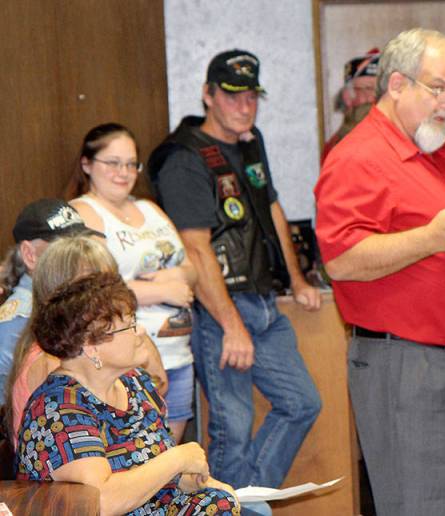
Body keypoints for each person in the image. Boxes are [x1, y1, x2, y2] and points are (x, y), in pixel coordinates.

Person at [314, 28, 445, 515]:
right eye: (438, 88)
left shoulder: (438, 151)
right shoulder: (359, 157)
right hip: (406, 367)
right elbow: (341, 259)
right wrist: (430, 237)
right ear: (398, 84)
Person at [147, 49, 322, 489]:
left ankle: (246, 500)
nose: (244, 107)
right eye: (232, 96)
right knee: (232, 432)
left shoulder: (250, 140)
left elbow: (272, 207)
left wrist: (297, 278)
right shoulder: (183, 157)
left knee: (302, 402)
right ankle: (233, 504)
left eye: (251, 96)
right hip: (219, 312)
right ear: (207, 95)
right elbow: (196, 250)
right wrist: (231, 325)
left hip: (263, 303)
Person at [17, 272, 239, 515]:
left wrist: (189, 482)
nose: (140, 331)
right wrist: (177, 459)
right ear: (92, 348)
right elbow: (100, 502)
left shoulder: (136, 382)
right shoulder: (58, 410)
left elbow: (150, 477)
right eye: (130, 325)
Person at [68, 123, 198, 443]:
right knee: (138, 452)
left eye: (131, 164)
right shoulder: (84, 212)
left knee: (170, 454)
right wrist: (162, 289)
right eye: (112, 163)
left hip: (178, 353)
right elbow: (91, 288)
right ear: (87, 164)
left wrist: (178, 276)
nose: (123, 172)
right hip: (129, 359)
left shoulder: (149, 209)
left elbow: (193, 269)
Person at [0, 198, 103, 401]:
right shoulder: (20, 318)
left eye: (82, 244)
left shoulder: (70, 299)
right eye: (65, 249)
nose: (81, 257)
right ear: (30, 255)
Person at [322, 48, 380, 163]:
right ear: (348, 96)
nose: (376, 97)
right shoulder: (335, 150)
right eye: (368, 88)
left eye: (381, 90)